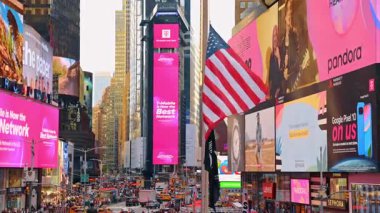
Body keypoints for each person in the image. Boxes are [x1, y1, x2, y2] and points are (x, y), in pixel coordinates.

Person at [269, 25, 284, 99]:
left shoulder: (281, 50)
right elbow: (270, 76)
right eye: (274, 36)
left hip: (280, 90)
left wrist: (279, 58)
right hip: (273, 92)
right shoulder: (271, 55)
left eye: (276, 36)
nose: (275, 38)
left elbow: (283, 72)